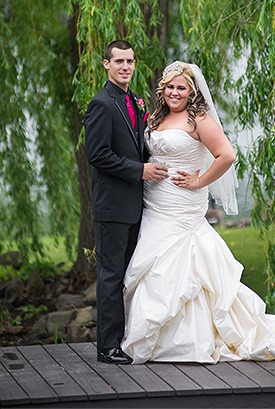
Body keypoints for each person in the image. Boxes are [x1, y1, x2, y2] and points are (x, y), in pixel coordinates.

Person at [120, 61, 275, 363]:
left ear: (191, 91)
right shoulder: (157, 117)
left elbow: (227, 155)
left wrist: (199, 181)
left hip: (183, 203)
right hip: (156, 202)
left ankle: (189, 341)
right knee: (153, 264)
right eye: (170, 87)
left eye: (181, 87)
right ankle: (158, 339)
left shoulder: (199, 119)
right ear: (163, 89)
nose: (174, 92)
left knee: (185, 267)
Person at [84, 41, 169, 365]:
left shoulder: (134, 100)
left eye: (129, 61)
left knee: (132, 274)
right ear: (106, 64)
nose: (125, 66)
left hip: (137, 206)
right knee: (110, 277)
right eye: (118, 61)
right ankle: (107, 347)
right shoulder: (101, 104)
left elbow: (138, 146)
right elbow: (98, 154)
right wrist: (140, 171)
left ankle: (128, 339)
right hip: (112, 209)